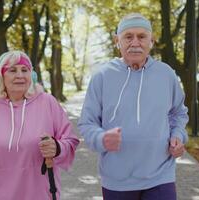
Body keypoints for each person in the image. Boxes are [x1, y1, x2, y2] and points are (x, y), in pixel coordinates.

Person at [78, 13, 188, 200]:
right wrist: (101, 138)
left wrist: (178, 136)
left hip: (161, 175)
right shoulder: (102, 76)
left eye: (142, 36)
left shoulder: (166, 74)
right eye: (128, 37)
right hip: (116, 179)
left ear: (151, 41)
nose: (135, 42)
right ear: (117, 41)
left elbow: (178, 113)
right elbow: (87, 123)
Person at [0, 50, 79, 200]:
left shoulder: (47, 102)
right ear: (1, 76)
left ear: (31, 75)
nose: (20, 75)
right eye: (12, 70)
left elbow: (70, 140)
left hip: (41, 193)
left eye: (25, 70)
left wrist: (57, 148)